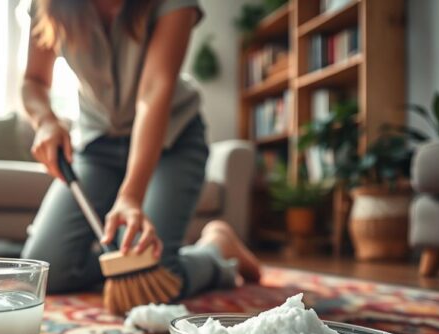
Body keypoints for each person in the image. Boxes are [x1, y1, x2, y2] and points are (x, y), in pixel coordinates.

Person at [21, 0, 261, 298]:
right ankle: (139, 267)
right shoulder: (48, 5)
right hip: (97, 145)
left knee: (155, 281)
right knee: (47, 273)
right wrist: (45, 120)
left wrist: (130, 195)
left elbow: (153, 91)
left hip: (172, 142)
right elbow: (33, 81)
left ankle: (218, 253)